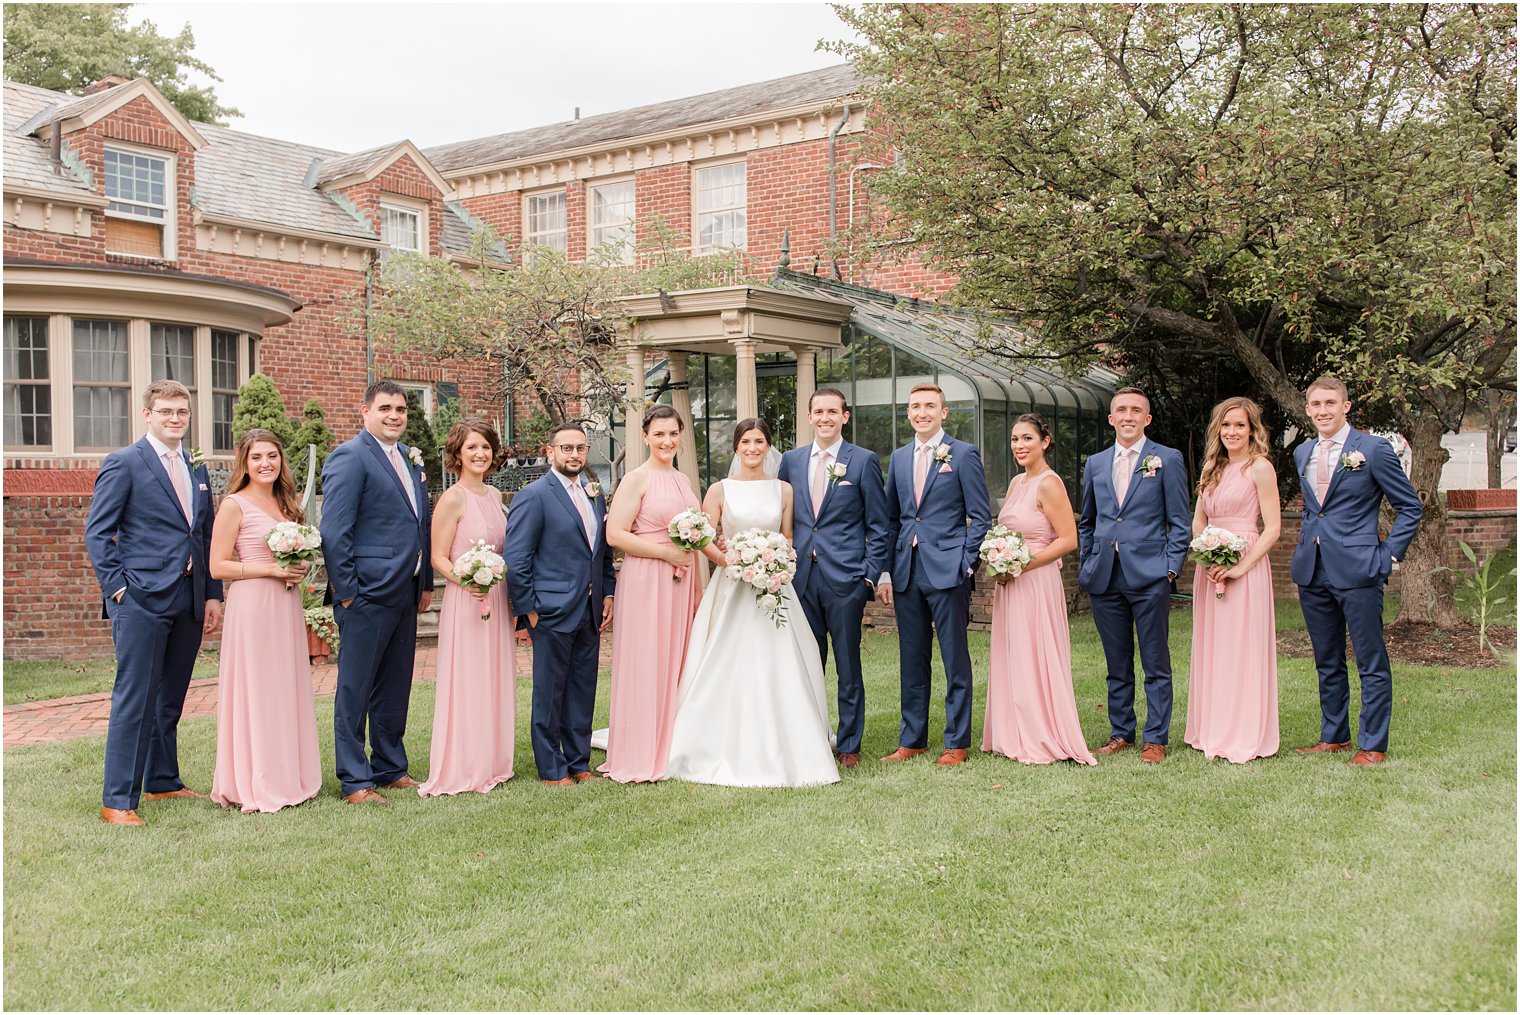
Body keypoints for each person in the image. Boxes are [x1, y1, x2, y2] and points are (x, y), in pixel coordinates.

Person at [665, 418, 839, 788]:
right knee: (725, 658)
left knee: (781, 660)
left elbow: (787, 537)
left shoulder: (784, 490)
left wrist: (775, 561)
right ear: (736, 447)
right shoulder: (719, 489)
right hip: (730, 587)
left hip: (773, 587)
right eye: (746, 442)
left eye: (759, 441)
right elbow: (702, 536)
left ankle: (792, 740)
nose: (753, 449)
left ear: (768, 446)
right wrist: (730, 561)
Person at [85, 380, 223, 826]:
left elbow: (203, 534)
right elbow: (98, 533)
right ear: (147, 414)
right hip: (140, 599)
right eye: (165, 411)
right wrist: (119, 590)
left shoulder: (195, 466)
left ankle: (163, 781)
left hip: (187, 597)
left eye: (181, 411)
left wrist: (212, 594)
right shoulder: (124, 463)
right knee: (136, 699)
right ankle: (118, 800)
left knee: (171, 698)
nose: (175, 418)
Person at [1291, 376, 1421, 766]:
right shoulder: (1302, 452)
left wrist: (1387, 557)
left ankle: (1373, 745)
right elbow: (1317, 509)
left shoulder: (1373, 449)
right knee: (1327, 660)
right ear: (1308, 409)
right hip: (1313, 570)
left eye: (1330, 403)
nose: (1322, 410)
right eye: (1315, 404)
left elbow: (1410, 507)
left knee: (1370, 661)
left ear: (1345, 407)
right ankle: (1335, 736)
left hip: (1360, 569)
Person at [319, 380, 434, 804]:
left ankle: (390, 765)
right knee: (355, 686)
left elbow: (418, 523)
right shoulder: (350, 457)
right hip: (366, 594)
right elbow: (334, 530)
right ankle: (354, 778)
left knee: (395, 683)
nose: (394, 415)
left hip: (405, 590)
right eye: (385, 407)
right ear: (364, 411)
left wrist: (423, 584)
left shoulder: (408, 458)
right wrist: (348, 592)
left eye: (401, 409)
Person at [207, 428, 323, 812]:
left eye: (272, 456)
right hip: (253, 607)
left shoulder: (288, 505)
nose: (265, 463)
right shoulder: (233, 505)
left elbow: (299, 560)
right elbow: (217, 565)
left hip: (286, 607)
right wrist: (272, 569)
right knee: (257, 689)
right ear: (244, 462)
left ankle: (288, 773)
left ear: (281, 461)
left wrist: (298, 565)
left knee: (284, 686)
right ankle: (255, 780)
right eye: (257, 457)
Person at [777, 388, 891, 769]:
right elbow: (784, 519)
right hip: (800, 580)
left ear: (845, 416)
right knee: (806, 664)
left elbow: (879, 524)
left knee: (847, 665)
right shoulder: (790, 462)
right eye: (818, 411)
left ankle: (849, 745)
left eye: (832, 412)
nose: (825, 418)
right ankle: (809, 735)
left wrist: (869, 577)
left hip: (846, 580)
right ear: (809, 416)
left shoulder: (862, 461)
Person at [1077, 386, 1191, 764]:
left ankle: (1155, 736)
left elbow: (1179, 521)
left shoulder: (1167, 459)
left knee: (1155, 660)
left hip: (1151, 573)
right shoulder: (1095, 463)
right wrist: (1088, 561)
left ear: (1147, 418)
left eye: (1136, 410)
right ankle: (1121, 731)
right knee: (1116, 661)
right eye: (1121, 410)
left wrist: (1170, 568)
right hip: (1105, 576)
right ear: (1111, 418)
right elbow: (1088, 521)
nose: (1128, 416)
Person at [882, 383, 992, 767]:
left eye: (930, 405)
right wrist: (886, 570)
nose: (922, 412)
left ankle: (956, 741)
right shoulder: (897, 458)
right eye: (915, 406)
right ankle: (912, 739)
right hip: (907, 571)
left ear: (944, 412)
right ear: (908, 412)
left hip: (948, 571)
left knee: (954, 659)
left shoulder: (962, 455)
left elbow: (980, 516)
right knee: (912, 659)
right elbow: (893, 519)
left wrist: (965, 562)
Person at [504, 423, 616, 786]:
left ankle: (579, 762)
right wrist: (529, 609)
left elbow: (601, 552)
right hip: (550, 610)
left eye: (580, 448)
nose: (574, 455)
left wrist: (608, 592)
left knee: (583, 689)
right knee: (550, 692)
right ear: (549, 451)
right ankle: (552, 769)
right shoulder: (534, 495)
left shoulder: (594, 493)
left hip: (590, 607)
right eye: (566, 448)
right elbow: (518, 557)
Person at [982, 414, 1095, 767]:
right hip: (1011, 583)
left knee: (1035, 653)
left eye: (1027, 438)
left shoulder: (1049, 483)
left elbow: (1068, 539)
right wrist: (999, 561)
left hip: (1036, 579)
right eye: (1015, 439)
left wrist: (1023, 564)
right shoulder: (1017, 483)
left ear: (1045, 442)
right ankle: (1013, 731)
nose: (1019, 445)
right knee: (1014, 653)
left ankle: (1041, 733)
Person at [597, 405, 702, 783]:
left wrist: (699, 591)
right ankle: (640, 751)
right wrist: (665, 553)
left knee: (675, 662)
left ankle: (669, 745)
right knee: (647, 661)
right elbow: (616, 535)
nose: (666, 441)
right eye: (659, 434)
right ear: (645, 437)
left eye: (673, 434)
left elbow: (697, 540)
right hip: (646, 579)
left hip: (681, 581)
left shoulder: (684, 480)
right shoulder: (636, 479)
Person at [418, 419, 516, 797]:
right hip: (467, 598)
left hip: (497, 595)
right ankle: (464, 763)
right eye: (472, 447)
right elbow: (438, 557)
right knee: (469, 677)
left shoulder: (492, 496)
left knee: (494, 675)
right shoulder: (452, 498)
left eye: (486, 447)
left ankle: (492, 759)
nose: (480, 454)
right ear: (457, 454)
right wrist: (469, 580)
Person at [1184, 398, 1282, 763]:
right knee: (1214, 647)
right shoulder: (1212, 467)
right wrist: (1205, 551)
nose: (1232, 432)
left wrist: (1240, 567)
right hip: (1210, 568)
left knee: (1242, 648)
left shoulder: (1260, 468)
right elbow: (1199, 519)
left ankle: (1242, 731)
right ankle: (1211, 727)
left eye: (1240, 425)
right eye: (1226, 426)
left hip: (1246, 562)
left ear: (1252, 429)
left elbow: (1272, 528)